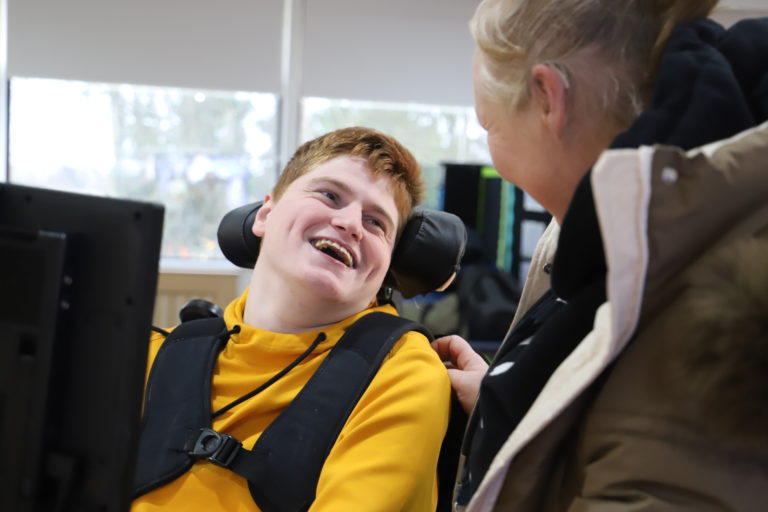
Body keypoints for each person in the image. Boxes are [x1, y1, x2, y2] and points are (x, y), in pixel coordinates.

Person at [432, 1, 768, 510]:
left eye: (489, 126)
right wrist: (527, 405)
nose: (494, 158)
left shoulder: (712, 311)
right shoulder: (620, 248)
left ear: (548, 98)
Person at [132, 127, 452, 511]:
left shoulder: (402, 374)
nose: (350, 223)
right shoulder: (154, 355)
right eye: (330, 195)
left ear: (387, 268)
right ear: (266, 213)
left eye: (376, 223)